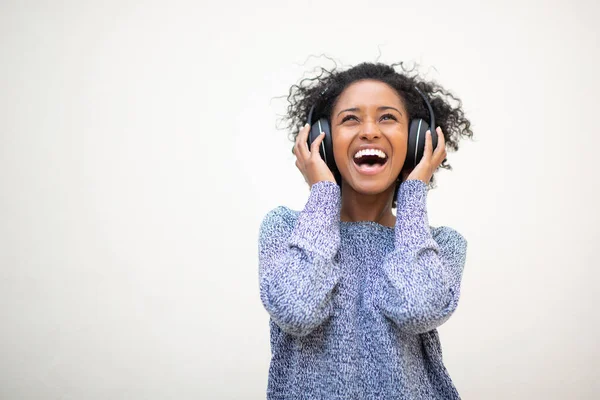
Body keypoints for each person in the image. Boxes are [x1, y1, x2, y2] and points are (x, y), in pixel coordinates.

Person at [258, 61, 474, 399]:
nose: (370, 131)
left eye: (387, 117)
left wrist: (414, 192)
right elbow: (297, 310)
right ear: (322, 140)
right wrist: (323, 194)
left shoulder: (441, 245)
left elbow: (418, 309)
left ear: (418, 141)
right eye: (350, 118)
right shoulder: (285, 230)